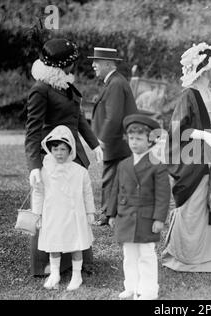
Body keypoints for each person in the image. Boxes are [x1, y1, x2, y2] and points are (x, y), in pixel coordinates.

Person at [25, 38, 102, 276]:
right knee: (52, 208)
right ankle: (46, 263)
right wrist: (35, 165)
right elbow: (33, 130)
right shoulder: (41, 89)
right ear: (62, 65)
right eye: (72, 63)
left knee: (74, 205)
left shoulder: (65, 85)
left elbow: (78, 118)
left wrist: (94, 144)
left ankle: (74, 260)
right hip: (53, 156)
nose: (74, 67)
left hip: (73, 153)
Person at [161, 42, 211, 273]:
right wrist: (203, 135)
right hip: (194, 163)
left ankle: (210, 257)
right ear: (205, 70)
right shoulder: (189, 97)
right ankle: (185, 257)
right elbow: (176, 131)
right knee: (193, 208)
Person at [107, 114, 170, 300]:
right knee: (129, 255)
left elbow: (163, 195)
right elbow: (115, 190)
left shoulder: (156, 164)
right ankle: (131, 286)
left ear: (150, 141)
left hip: (146, 217)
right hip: (126, 216)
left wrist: (159, 218)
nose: (134, 143)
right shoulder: (123, 164)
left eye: (139, 139)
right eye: (131, 138)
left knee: (146, 255)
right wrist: (111, 213)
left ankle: (148, 290)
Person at [32, 125, 95, 290]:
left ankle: (76, 275)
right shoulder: (45, 171)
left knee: (76, 243)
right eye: (55, 149)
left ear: (70, 150)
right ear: (50, 149)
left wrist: (90, 212)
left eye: (63, 149)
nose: (59, 153)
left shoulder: (80, 172)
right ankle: (54, 273)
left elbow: (87, 193)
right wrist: (37, 214)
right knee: (54, 243)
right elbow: (38, 193)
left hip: (74, 214)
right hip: (53, 213)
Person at [88, 47, 138, 226]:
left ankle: (105, 215)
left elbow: (114, 116)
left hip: (115, 141)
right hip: (118, 140)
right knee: (115, 178)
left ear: (108, 64)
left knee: (110, 179)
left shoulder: (115, 83)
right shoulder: (115, 81)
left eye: (97, 62)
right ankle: (112, 214)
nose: (93, 65)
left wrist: (101, 139)